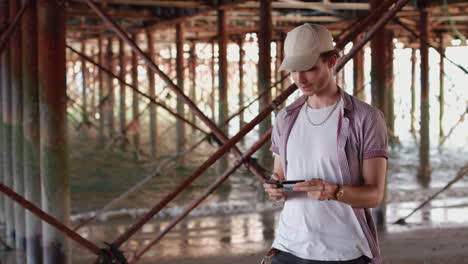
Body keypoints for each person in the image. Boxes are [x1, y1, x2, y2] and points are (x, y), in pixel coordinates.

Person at [262, 23, 388, 264]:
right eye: (293, 70)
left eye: (309, 68)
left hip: (344, 252)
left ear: (331, 61)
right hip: (288, 247)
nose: (299, 79)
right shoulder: (285, 118)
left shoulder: (366, 118)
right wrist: (275, 188)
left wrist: (335, 191)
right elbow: (279, 172)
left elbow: (374, 195)